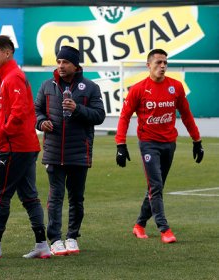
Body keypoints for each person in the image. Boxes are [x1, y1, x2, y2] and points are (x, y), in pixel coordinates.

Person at [115, 48, 204, 243]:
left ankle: (139, 224)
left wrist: (197, 141)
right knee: (155, 186)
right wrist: (120, 144)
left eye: (165, 62)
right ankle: (164, 229)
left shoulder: (176, 87)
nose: (162, 66)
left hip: (169, 144)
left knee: (157, 186)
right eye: (158, 62)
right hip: (148, 144)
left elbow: (187, 115)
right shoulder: (138, 89)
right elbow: (125, 117)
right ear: (149, 65)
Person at [0, 35, 51, 259]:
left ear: (7, 53)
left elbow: (18, 112)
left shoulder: (13, 77)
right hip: (23, 146)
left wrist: (3, 135)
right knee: (29, 196)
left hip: (15, 147)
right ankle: (42, 245)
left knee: (1, 197)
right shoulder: (9, 76)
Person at [35, 46, 106, 256]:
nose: (61, 66)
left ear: (75, 65)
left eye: (65, 62)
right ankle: (55, 239)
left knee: (76, 198)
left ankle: (72, 237)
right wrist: (41, 122)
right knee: (55, 196)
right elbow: (36, 111)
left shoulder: (91, 87)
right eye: (58, 61)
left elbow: (99, 116)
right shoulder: (47, 86)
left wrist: (77, 109)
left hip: (79, 152)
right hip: (54, 152)